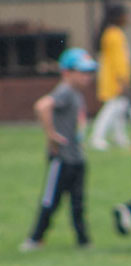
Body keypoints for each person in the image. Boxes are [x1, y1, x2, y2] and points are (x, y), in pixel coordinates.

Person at [21, 48, 97, 252]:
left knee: (78, 202)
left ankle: (83, 240)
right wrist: (51, 135)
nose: (87, 77)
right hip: (62, 158)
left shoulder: (75, 94)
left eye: (89, 72)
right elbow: (42, 106)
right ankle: (35, 239)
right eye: (82, 72)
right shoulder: (64, 91)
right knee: (50, 200)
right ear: (67, 72)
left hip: (76, 158)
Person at [90, 4, 131, 150]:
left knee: (120, 107)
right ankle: (97, 137)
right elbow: (119, 60)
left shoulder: (110, 33)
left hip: (112, 78)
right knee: (112, 107)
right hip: (115, 79)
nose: (128, 17)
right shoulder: (114, 34)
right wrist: (122, 79)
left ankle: (120, 137)